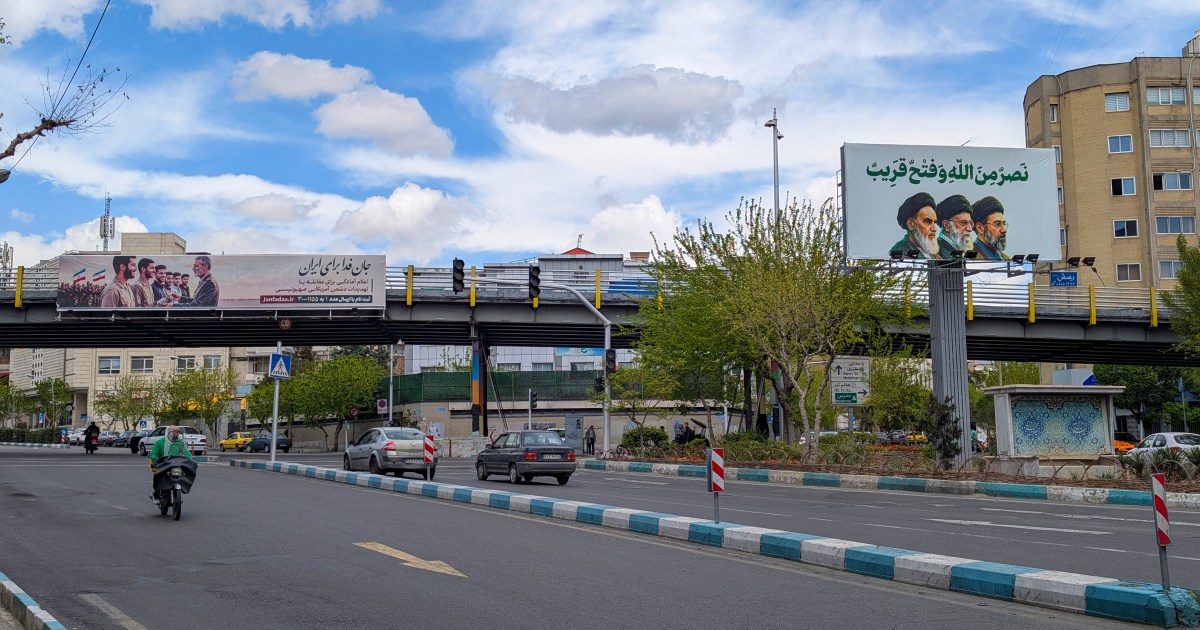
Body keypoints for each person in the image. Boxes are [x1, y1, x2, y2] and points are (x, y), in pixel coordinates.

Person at [889, 192, 941, 259]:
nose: (934, 229)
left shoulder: (930, 252)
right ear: (910, 224)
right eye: (927, 221)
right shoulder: (900, 253)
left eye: (935, 222)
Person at [149, 425, 194, 500]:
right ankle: (156, 493)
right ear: (170, 432)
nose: (178, 434)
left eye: (179, 432)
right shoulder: (160, 442)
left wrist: (190, 459)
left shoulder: (180, 443)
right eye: (176, 432)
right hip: (163, 464)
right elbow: (153, 454)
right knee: (159, 477)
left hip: (176, 464)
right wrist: (154, 459)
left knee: (184, 473)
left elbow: (186, 452)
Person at [971, 196, 1010, 261]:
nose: (1004, 230)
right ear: (980, 228)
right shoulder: (971, 259)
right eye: (997, 224)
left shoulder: (1005, 258)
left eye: (1004, 224)